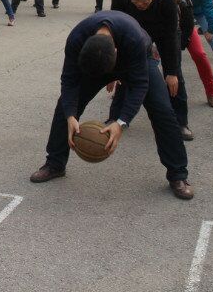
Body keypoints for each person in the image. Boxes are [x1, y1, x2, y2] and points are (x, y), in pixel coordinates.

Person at [28, 11, 193, 200]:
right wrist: (70, 115)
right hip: (98, 60)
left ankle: (178, 175)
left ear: (116, 51)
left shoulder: (134, 39)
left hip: (139, 59)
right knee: (64, 106)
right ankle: (55, 164)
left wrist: (121, 122)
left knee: (163, 111)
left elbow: (139, 85)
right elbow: (69, 80)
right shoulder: (76, 39)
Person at [113, 0, 195, 140]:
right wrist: (114, 68)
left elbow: (171, 37)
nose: (139, 3)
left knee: (175, 78)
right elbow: (116, 30)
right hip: (135, 32)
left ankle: (180, 123)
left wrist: (171, 71)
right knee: (125, 73)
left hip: (165, 33)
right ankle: (116, 118)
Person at [169, 0, 213, 106]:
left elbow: (209, 6)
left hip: (190, 22)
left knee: (200, 55)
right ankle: (172, 97)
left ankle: (212, 94)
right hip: (174, 25)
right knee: (168, 60)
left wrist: (211, 29)